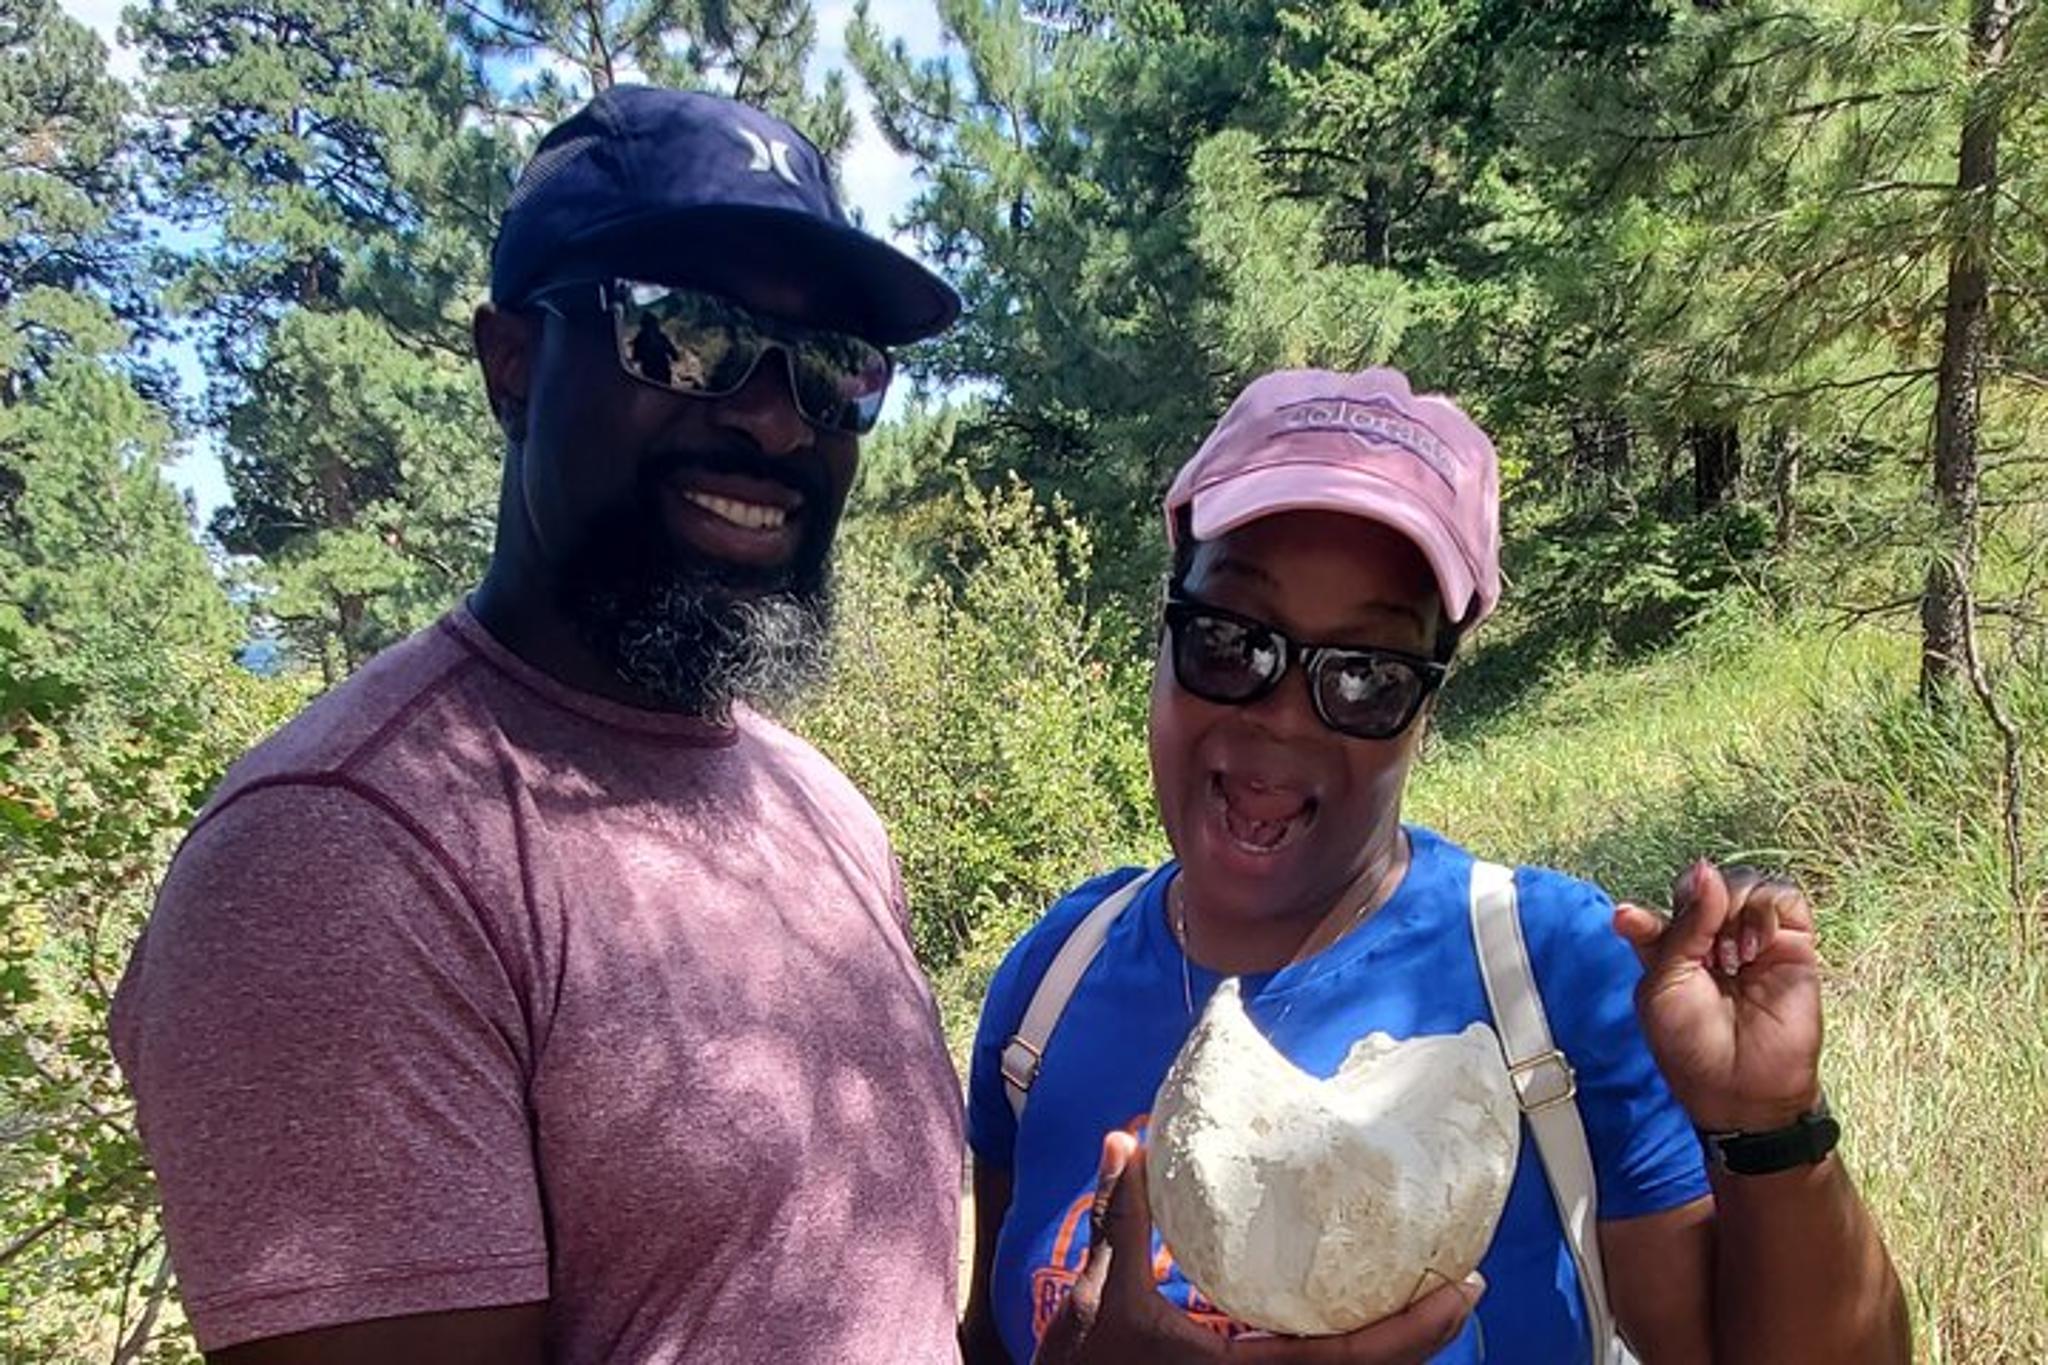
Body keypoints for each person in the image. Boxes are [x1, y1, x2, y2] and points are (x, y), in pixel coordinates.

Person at [111, 86, 965, 1364]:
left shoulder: (821, 806)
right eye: (685, 332)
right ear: (509, 363)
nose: (776, 414)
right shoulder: (342, 857)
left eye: (834, 367)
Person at [960, 368, 1912, 1365]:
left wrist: (1769, 1128)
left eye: (1366, 674)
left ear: (1425, 709)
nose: (1281, 717)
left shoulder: (1556, 977)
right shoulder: (1051, 986)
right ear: (1163, 632)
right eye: (1231, 641)